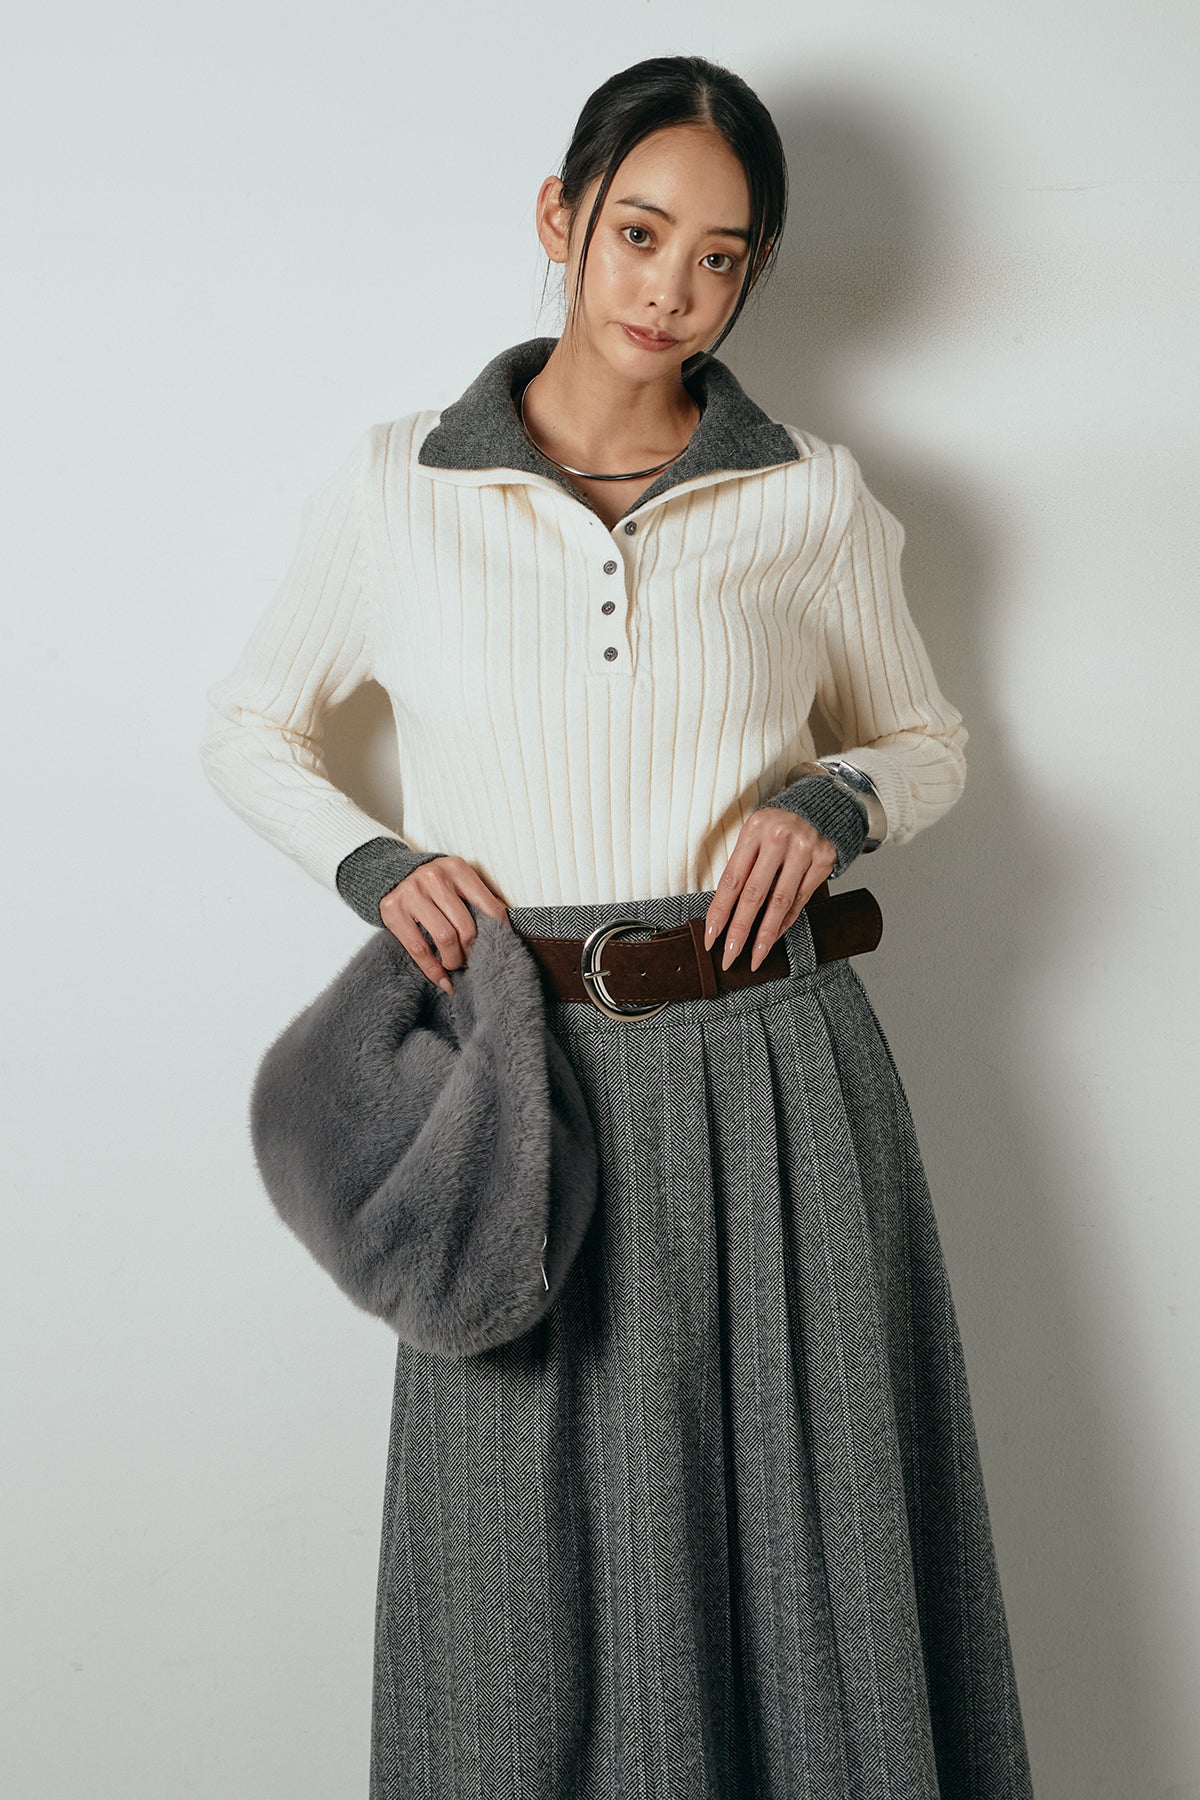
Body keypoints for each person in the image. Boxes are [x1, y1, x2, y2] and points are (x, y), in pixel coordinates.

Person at [200, 53, 1036, 1800]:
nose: (670, 287)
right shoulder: (399, 484)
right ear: (562, 218)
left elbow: (929, 737)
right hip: (520, 1078)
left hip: (776, 1071)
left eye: (720, 257)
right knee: (517, 1584)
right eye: (640, 233)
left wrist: (837, 802)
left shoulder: (809, 494)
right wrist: (374, 865)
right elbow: (252, 728)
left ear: (754, 274)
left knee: (806, 1551)